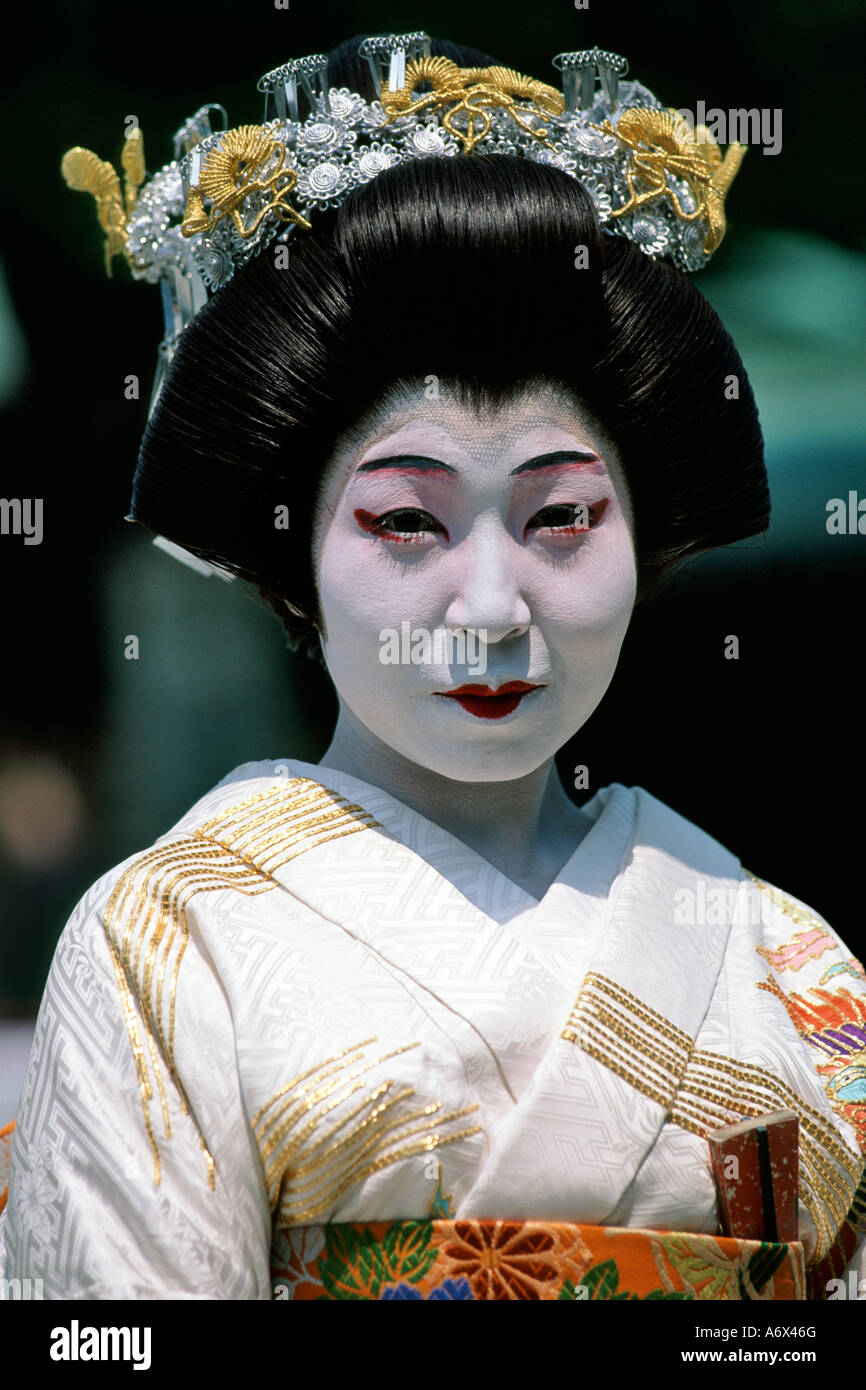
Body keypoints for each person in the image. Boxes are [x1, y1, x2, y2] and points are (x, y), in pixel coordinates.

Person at [2, 31, 864, 1302]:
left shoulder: (786, 964)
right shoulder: (169, 938)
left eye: (562, 516)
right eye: (404, 520)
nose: (489, 603)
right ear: (290, 561)